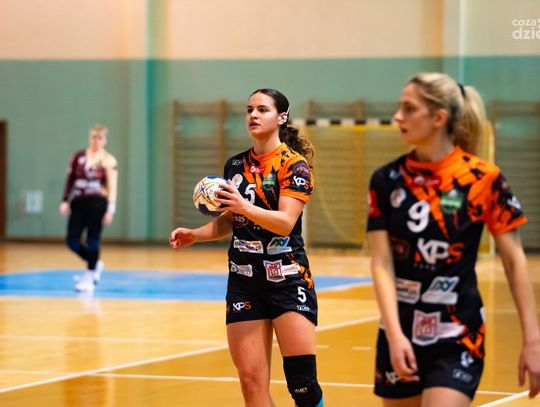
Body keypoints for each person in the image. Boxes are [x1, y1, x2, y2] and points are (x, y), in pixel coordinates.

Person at [366, 72, 540, 406]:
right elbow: (381, 263)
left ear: (438, 118)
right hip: (399, 331)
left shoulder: (482, 179)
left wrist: (532, 341)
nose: (397, 117)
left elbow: (514, 261)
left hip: (457, 333)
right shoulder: (386, 180)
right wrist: (395, 335)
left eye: (409, 108)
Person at [170, 89, 324, 407]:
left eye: (262, 109)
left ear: (281, 117)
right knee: (251, 383)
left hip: (288, 280)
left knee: (303, 386)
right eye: (249, 109)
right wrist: (195, 235)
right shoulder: (235, 165)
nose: (253, 115)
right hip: (244, 282)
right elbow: (232, 220)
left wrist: (244, 206)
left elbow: (285, 222)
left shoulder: (294, 166)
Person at [59, 124, 118, 293]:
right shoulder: (78, 157)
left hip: (97, 203)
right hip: (79, 202)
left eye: (99, 138)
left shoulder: (108, 160)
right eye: (93, 137)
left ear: (104, 140)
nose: (96, 141)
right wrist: (65, 200)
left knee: (93, 239)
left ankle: (90, 276)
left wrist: (110, 209)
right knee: (72, 241)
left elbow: (112, 186)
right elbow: (70, 178)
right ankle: (95, 262)